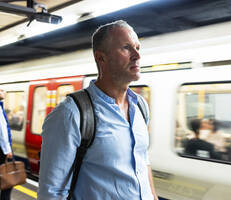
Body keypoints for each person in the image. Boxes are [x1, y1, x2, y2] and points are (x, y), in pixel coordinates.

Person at [38, 20, 158, 200]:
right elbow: (52, 193)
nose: (137, 56)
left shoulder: (140, 106)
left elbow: (143, 163)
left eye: (137, 47)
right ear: (101, 58)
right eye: (126, 48)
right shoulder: (71, 114)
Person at [0, 89, 13, 200]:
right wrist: (7, 150)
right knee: (7, 181)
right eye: (1, 90)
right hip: (1, 150)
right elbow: (2, 131)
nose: (4, 92)